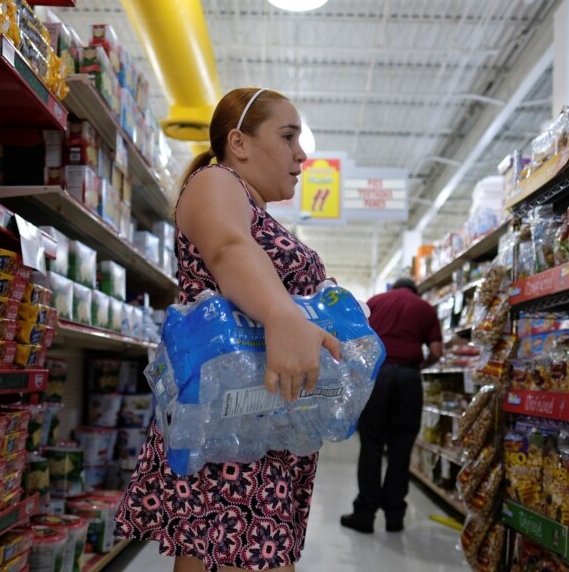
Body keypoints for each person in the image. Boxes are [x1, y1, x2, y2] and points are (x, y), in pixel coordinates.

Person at [114, 87, 342, 572]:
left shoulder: (257, 210)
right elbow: (228, 248)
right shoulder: (216, 180)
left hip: (256, 427)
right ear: (239, 142)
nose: (301, 154)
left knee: (216, 558)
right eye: (287, 136)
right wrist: (284, 316)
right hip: (233, 431)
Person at [340, 277, 442, 533]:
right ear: (415, 290)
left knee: (371, 445)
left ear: (394, 287)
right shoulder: (425, 308)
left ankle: (365, 514)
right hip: (409, 378)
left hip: (378, 375)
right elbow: (438, 351)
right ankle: (394, 516)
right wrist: (420, 367)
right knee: (401, 446)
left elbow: (356, 340)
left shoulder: (375, 302)